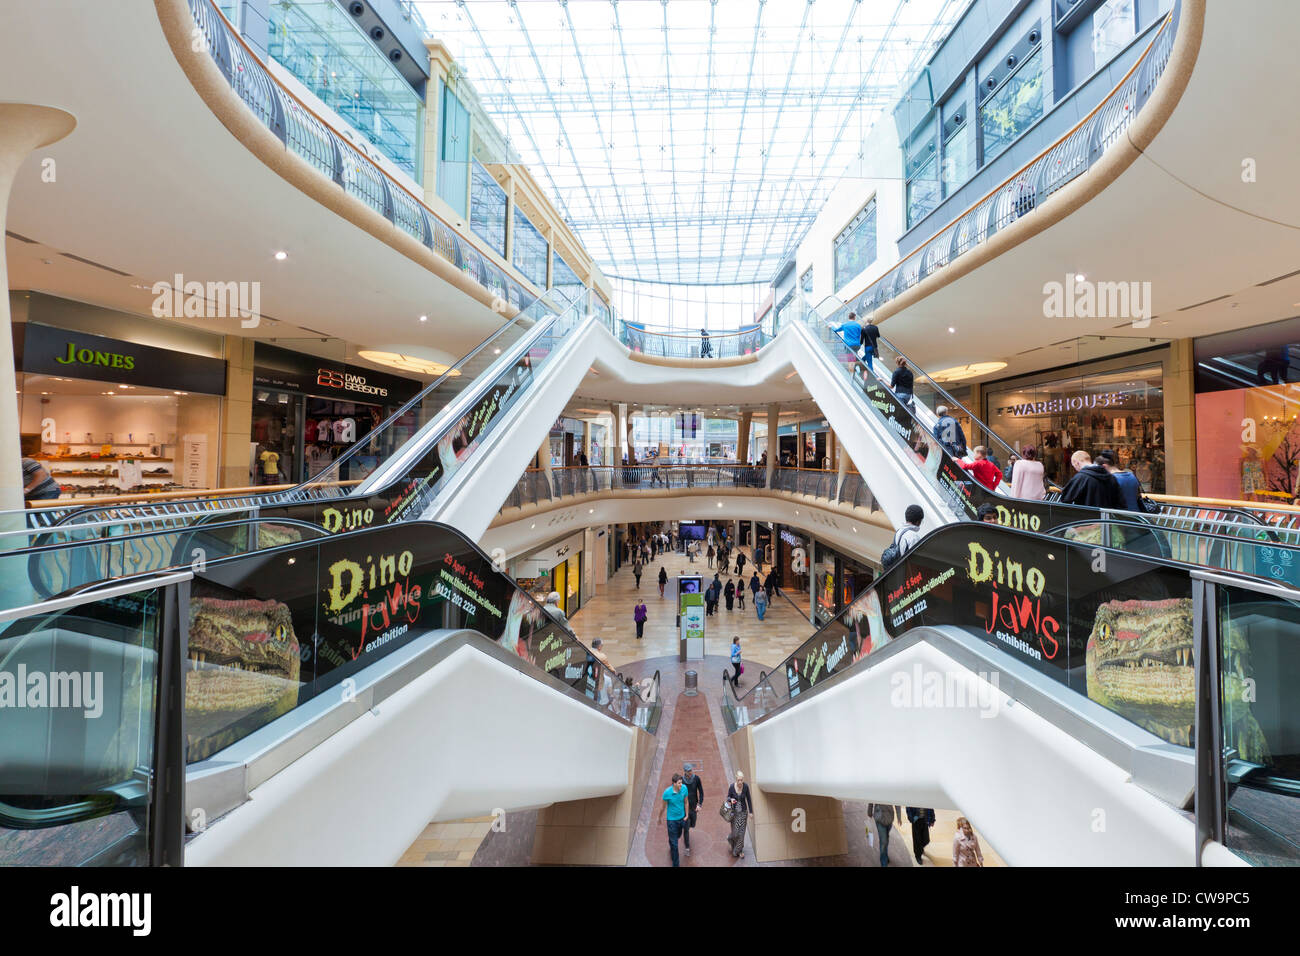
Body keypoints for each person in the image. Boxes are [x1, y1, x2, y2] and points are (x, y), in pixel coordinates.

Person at [1059, 450, 1124, 509]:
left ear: (1077, 463)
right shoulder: (1111, 477)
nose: (1076, 469)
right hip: (1107, 519)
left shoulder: (1080, 478)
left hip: (1088, 520)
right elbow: (1120, 502)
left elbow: (1065, 499)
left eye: (1074, 466)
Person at [656, 774, 690, 867]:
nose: (681, 785)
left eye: (681, 782)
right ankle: (676, 864)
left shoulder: (684, 788)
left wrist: (686, 815)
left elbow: (686, 802)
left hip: (682, 818)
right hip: (671, 821)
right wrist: (659, 817)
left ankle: (671, 842)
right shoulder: (667, 793)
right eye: (679, 783)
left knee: (677, 836)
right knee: (675, 845)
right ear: (674, 783)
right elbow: (662, 807)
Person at [726, 771, 754, 858]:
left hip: (743, 813)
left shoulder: (745, 787)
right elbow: (728, 798)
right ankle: (730, 838)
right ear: (736, 779)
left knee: (741, 833)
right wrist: (731, 800)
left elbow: (748, 799)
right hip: (734, 814)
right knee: (735, 833)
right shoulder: (731, 787)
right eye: (738, 780)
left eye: (741, 780)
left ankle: (738, 850)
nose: (740, 782)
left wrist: (750, 812)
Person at [681, 763, 704, 857]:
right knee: (686, 829)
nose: (690, 772)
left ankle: (686, 825)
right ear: (685, 772)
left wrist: (700, 804)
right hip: (684, 809)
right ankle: (687, 847)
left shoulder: (697, 779)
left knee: (693, 824)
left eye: (691, 770)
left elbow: (701, 792)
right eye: (688, 771)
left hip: (694, 807)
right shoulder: (681, 781)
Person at [867, 803, 899, 868]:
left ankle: (885, 856)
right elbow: (871, 798)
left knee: (886, 838)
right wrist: (869, 811)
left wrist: (899, 816)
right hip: (880, 818)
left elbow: (897, 802)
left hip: (890, 818)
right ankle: (883, 862)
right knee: (883, 841)